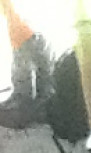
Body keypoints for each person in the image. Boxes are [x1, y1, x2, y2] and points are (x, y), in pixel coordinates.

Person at [0, 0, 52, 129]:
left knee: (26, 73)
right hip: (29, 28)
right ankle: (40, 105)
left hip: (24, 32)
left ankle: (28, 110)